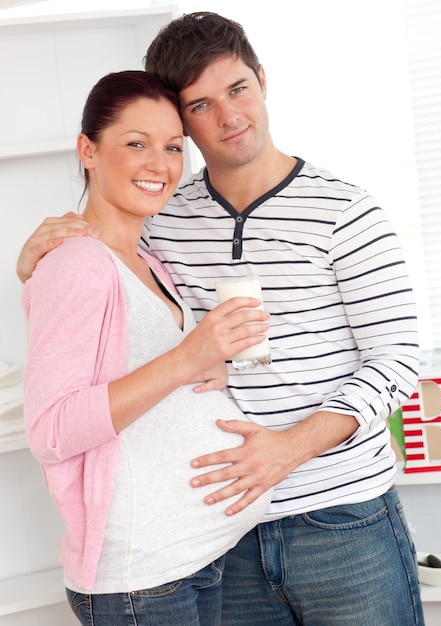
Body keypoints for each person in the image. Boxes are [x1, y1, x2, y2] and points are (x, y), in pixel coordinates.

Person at [17, 13, 425, 626]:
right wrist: (32, 261)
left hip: (341, 519)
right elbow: (98, 270)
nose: (229, 116)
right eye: (201, 105)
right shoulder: (160, 213)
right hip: (218, 539)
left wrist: (290, 448)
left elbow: (398, 362)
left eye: (237, 89)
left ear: (262, 81)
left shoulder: (346, 211)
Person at [21, 69, 273, 626]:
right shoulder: (80, 263)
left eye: (172, 147)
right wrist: (188, 357)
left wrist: (211, 371)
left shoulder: (148, 260)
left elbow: (153, 374)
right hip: (143, 579)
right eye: (135, 144)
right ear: (88, 150)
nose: (160, 165)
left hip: (193, 557)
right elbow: (52, 430)